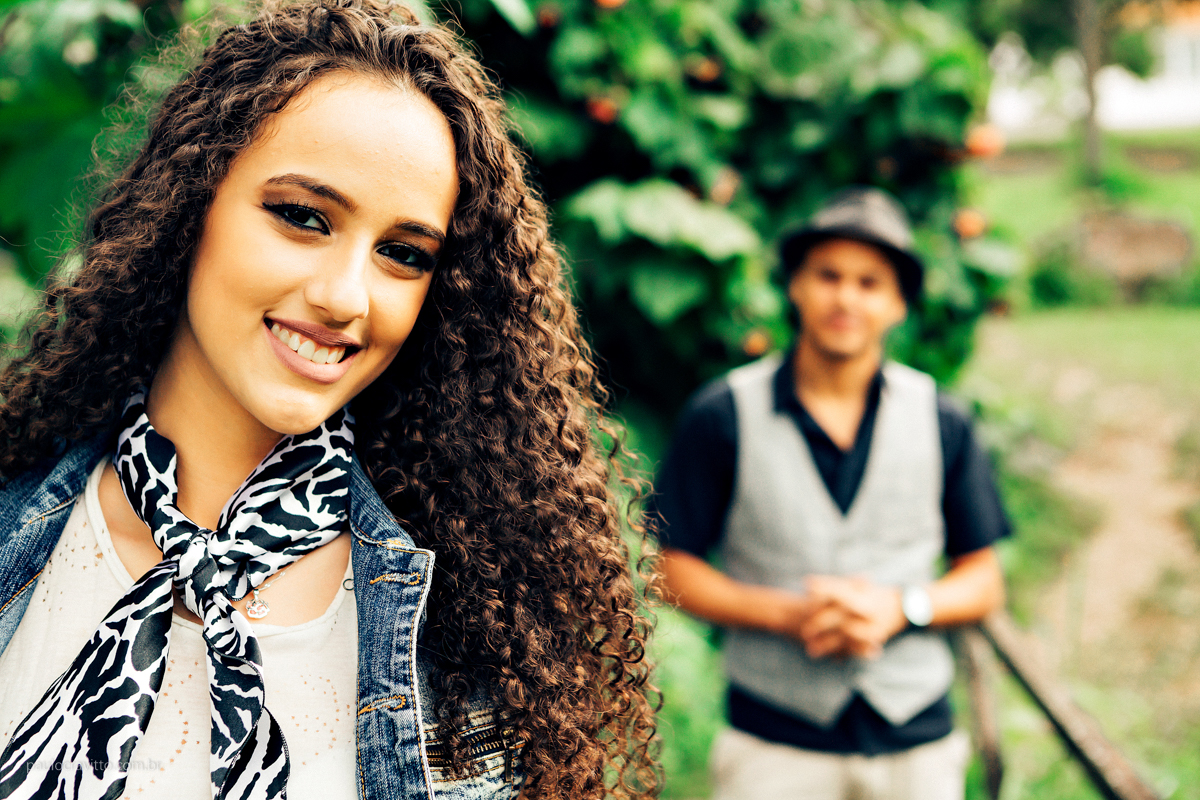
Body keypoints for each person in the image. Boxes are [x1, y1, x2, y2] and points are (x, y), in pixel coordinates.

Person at [0, 2, 658, 799]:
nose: (348, 296)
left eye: (402, 255)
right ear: (190, 202)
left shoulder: (467, 638)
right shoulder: (18, 515)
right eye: (304, 217)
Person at [651, 187, 1009, 800]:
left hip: (915, 744)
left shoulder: (944, 419)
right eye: (829, 276)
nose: (846, 297)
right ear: (796, 286)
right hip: (772, 742)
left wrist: (903, 608)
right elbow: (669, 568)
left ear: (897, 304)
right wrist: (787, 615)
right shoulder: (722, 414)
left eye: (870, 283)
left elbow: (984, 580)